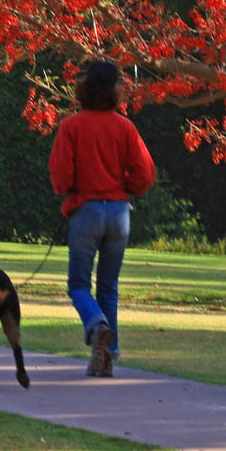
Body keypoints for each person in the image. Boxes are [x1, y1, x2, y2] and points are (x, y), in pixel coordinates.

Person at [49, 60, 155, 377]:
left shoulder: (71, 126)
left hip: (87, 211)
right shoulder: (125, 127)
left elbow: (61, 176)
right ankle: (106, 353)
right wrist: (126, 186)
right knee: (108, 287)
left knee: (79, 285)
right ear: (114, 91)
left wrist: (70, 189)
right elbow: (145, 174)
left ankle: (97, 326)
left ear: (83, 87)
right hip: (119, 212)